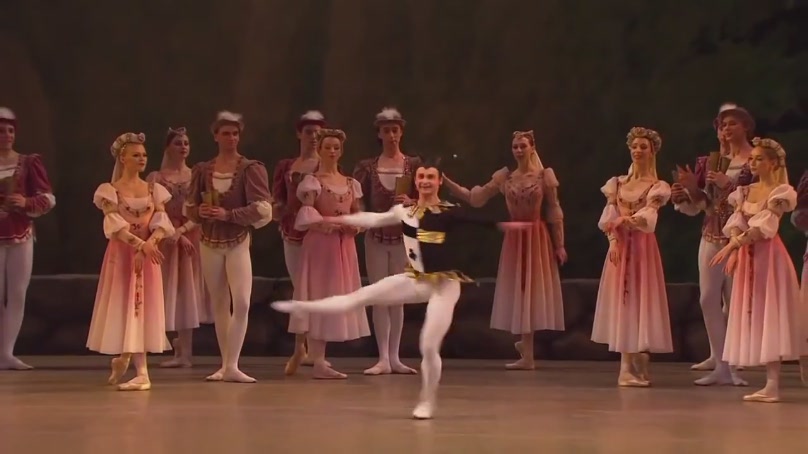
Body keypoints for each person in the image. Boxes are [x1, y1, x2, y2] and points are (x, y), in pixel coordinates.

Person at [272, 158, 528, 419]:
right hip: (415, 279)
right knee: (360, 296)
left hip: (444, 286)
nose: (425, 181)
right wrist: (340, 218)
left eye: (431, 177)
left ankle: (426, 402)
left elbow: (479, 221)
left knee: (428, 345)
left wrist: (508, 225)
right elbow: (373, 219)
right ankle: (301, 306)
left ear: (439, 181)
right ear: (416, 181)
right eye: (421, 177)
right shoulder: (405, 211)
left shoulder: (449, 211)